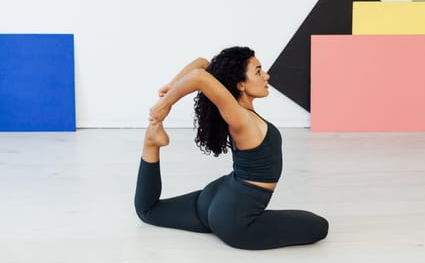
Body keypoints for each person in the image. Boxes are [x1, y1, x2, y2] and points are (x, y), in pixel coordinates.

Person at [134, 46, 328, 250]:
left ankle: (151, 143)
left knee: (150, 211)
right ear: (241, 84)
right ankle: (152, 140)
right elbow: (199, 76)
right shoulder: (240, 117)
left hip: (215, 197)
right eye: (258, 71)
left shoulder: (234, 109)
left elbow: (201, 63)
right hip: (235, 223)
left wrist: (171, 89)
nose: (266, 75)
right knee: (319, 226)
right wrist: (166, 104)